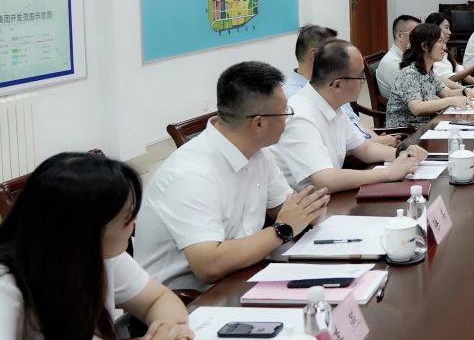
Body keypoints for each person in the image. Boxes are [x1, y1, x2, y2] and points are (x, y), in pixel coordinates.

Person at [135, 62, 331, 291]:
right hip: (189, 301)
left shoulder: (258, 152)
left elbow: (288, 208)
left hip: (243, 275)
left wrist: (308, 210)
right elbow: (209, 265)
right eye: (285, 112)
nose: (288, 119)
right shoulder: (190, 174)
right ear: (259, 123)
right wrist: (283, 229)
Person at [0, 152, 195, 340]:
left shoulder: (98, 254)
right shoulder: (6, 284)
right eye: (127, 216)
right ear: (88, 229)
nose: (134, 223)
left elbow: (158, 299)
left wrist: (167, 334)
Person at [270, 39, 427, 192]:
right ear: (337, 85)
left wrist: (403, 154)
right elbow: (325, 180)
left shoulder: (332, 103)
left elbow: (364, 149)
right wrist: (389, 173)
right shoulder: (301, 116)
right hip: (304, 203)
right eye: (360, 76)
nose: (363, 81)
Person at [285, 24, 393, 146]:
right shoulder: (293, 96)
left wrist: (376, 139)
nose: (340, 57)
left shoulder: (332, 84)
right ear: (315, 55)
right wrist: (376, 143)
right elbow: (331, 144)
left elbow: (354, 120)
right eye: (333, 50)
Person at [386, 23, 474, 129]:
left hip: (426, 127)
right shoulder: (409, 74)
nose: (444, 47)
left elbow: (447, 93)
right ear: (424, 46)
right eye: (439, 41)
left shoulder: (427, 71)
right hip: (406, 133)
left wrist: (465, 91)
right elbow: (416, 108)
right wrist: (451, 101)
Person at [423, 12, 474, 85]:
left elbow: (458, 69)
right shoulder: (431, 54)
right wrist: (473, 67)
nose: (450, 32)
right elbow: (445, 80)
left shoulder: (444, 48)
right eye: (446, 27)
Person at [375, 15, 420, 97]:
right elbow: (415, 95)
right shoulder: (392, 63)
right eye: (415, 34)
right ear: (399, 35)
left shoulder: (409, 56)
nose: (420, 39)